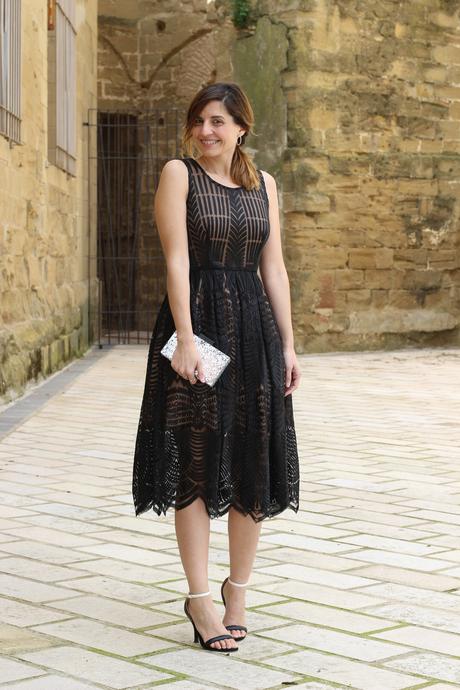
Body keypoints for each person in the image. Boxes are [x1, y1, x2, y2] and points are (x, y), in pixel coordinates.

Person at [132, 82, 301, 653]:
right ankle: (199, 599)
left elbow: (273, 269)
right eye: (200, 120)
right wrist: (183, 338)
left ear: (241, 128)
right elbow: (176, 258)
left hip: (253, 332)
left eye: (219, 122)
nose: (207, 131)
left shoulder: (265, 186)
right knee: (195, 458)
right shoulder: (178, 174)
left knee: (253, 456)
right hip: (198, 325)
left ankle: (238, 591)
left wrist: (289, 345)